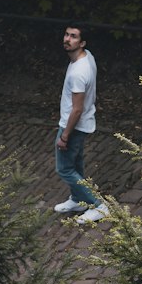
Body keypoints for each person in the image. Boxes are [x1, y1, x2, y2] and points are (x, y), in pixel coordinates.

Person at [54, 22, 108, 224]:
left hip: (73, 125)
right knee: (75, 164)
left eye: (73, 36)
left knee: (64, 169)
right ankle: (78, 199)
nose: (68, 39)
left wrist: (64, 135)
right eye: (67, 34)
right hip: (80, 122)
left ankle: (99, 206)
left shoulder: (78, 72)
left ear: (82, 42)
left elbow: (77, 108)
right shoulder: (87, 57)